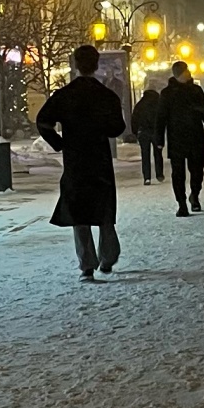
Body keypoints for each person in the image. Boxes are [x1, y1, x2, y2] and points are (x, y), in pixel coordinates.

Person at [36, 43, 127, 278]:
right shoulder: (106, 96)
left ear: (75, 65)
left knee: (80, 212)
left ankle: (87, 262)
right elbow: (117, 128)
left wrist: (60, 142)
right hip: (100, 159)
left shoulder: (64, 95)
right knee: (104, 210)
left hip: (75, 160)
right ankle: (108, 256)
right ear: (96, 65)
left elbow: (43, 121)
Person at [157, 59, 204, 215]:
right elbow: (161, 117)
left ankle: (195, 195)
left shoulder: (196, 90)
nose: (189, 73)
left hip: (194, 136)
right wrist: (159, 140)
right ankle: (182, 203)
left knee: (197, 170)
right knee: (178, 174)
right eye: (186, 71)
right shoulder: (167, 94)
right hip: (177, 138)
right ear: (179, 74)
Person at [130, 81, 165, 183]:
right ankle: (159, 174)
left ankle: (147, 177)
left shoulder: (140, 104)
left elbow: (134, 118)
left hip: (143, 132)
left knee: (145, 155)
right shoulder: (159, 103)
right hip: (156, 131)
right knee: (158, 153)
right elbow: (163, 118)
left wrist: (135, 132)